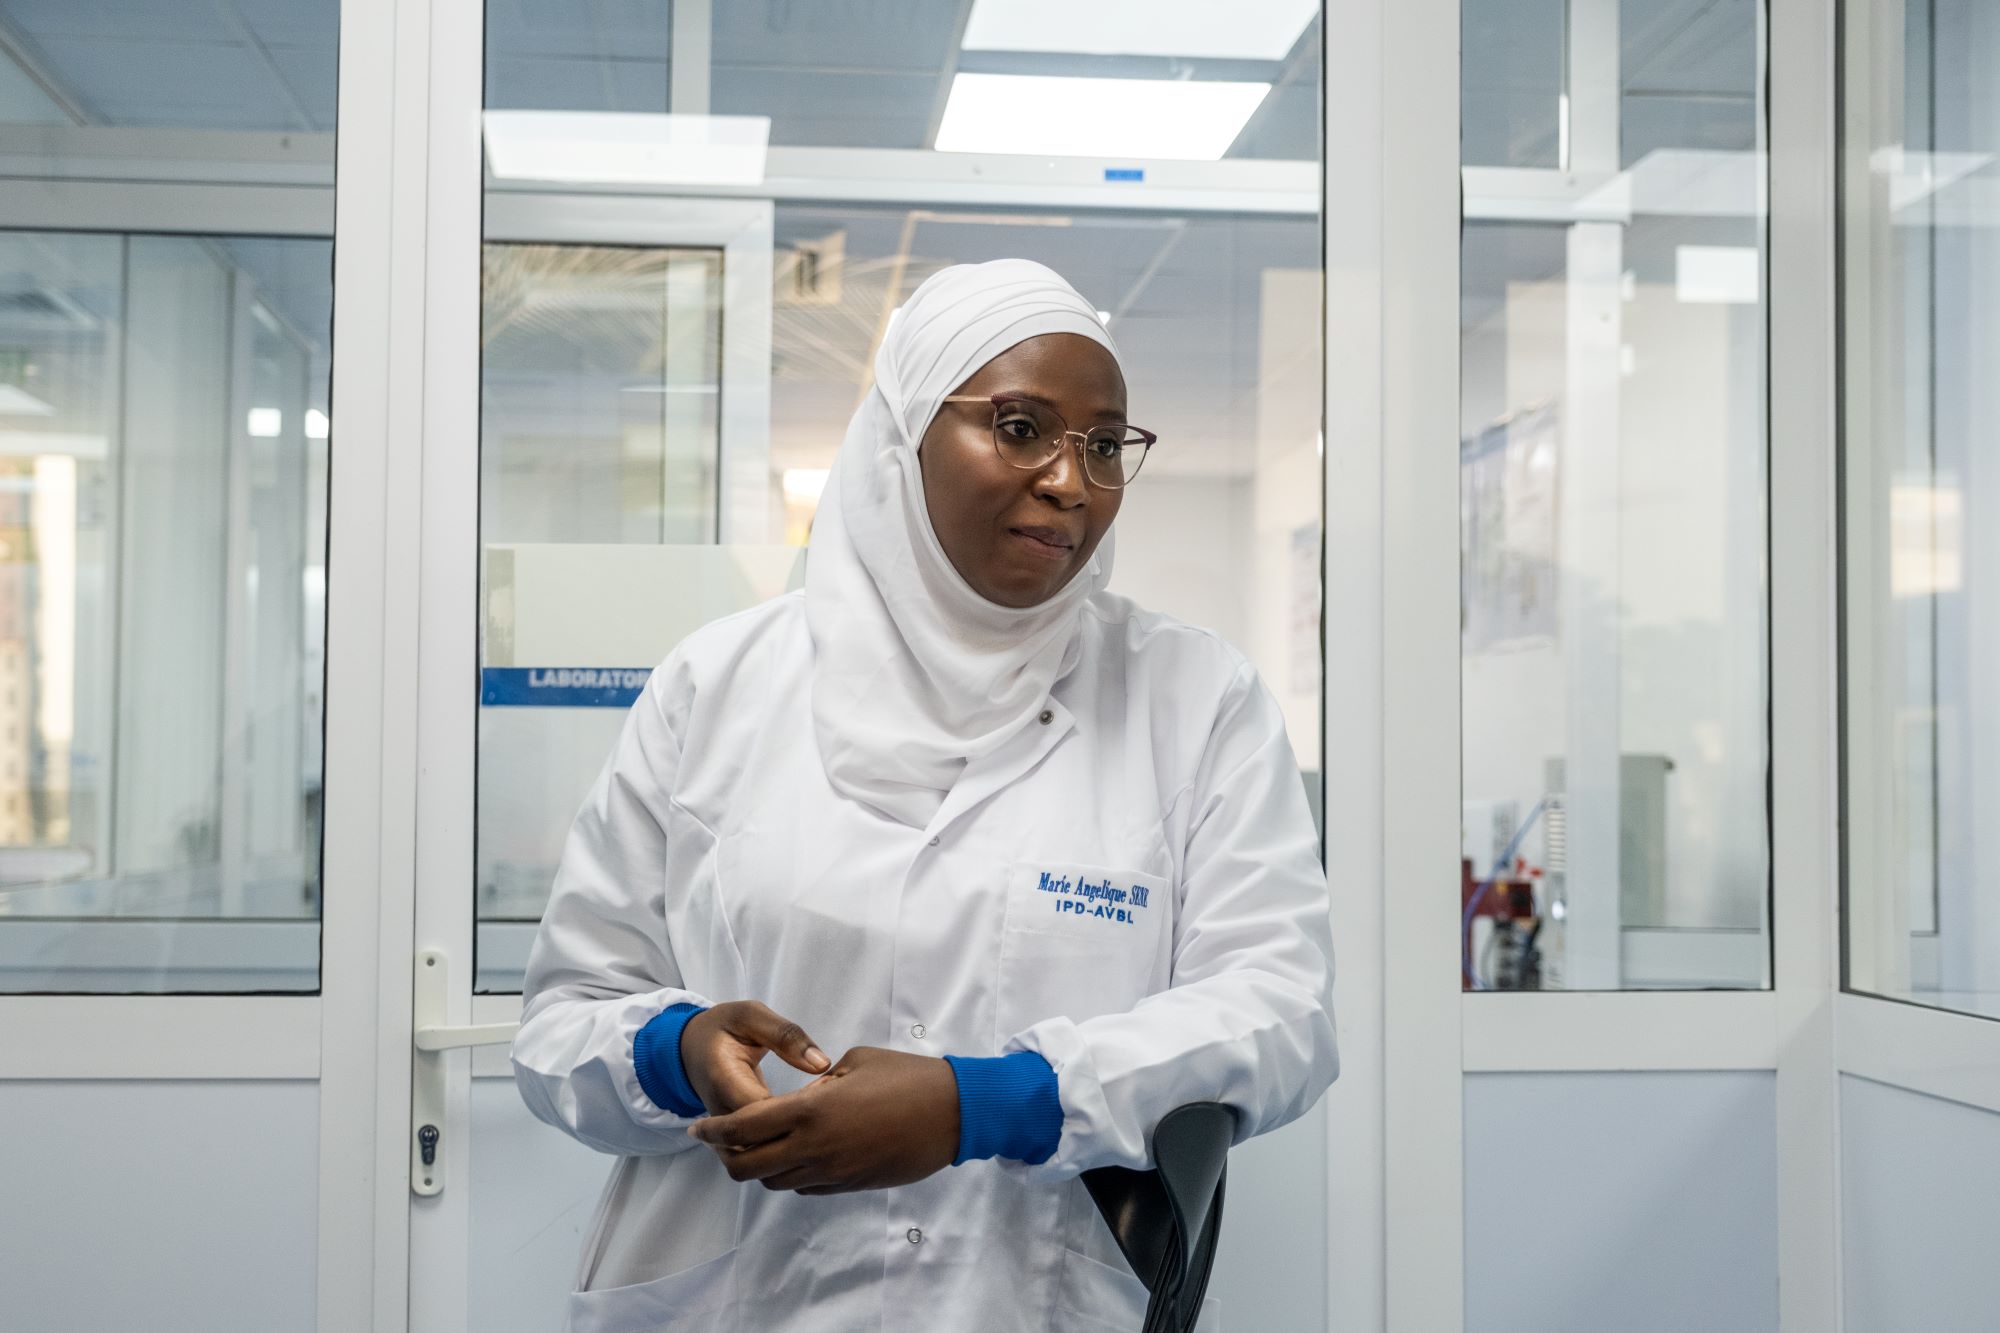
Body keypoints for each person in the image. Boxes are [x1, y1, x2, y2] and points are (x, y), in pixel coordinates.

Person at [511, 258, 1338, 1332]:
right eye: (1019, 424)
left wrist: (987, 1103)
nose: (1069, 480)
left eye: (1101, 444)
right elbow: (559, 1024)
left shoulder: (1195, 699)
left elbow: (1280, 1010)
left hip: (1024, 1297)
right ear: (904, 435)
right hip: (742, 1296)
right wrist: (675, 1050)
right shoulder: (716, 687)